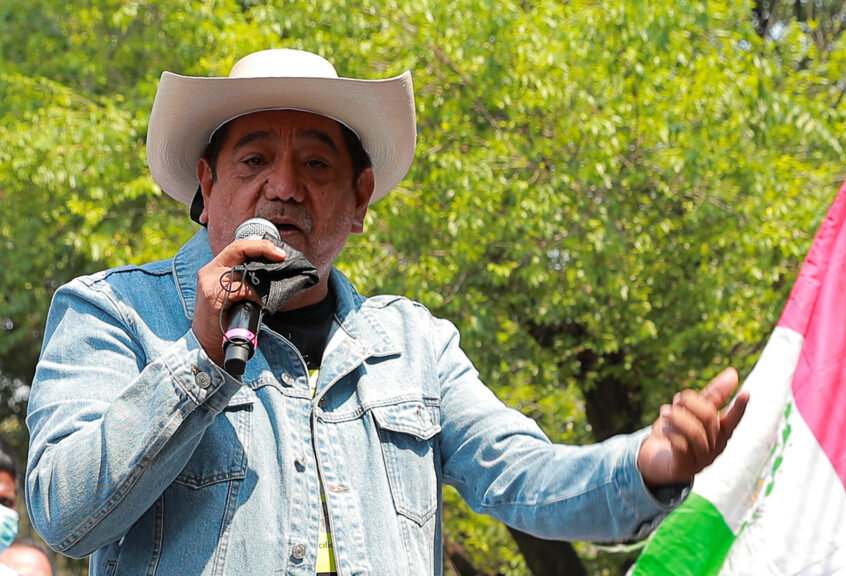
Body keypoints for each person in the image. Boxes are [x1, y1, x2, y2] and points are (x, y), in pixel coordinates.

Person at [26, 48, 748, 575]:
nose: (284, 186)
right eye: (253, 161)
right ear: (206, 186)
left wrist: (649, 464)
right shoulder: (112, 312)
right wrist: (200, 361)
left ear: (359, 200)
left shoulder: (413, 342)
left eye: (316, 164)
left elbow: (523, 477)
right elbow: (66, 518)